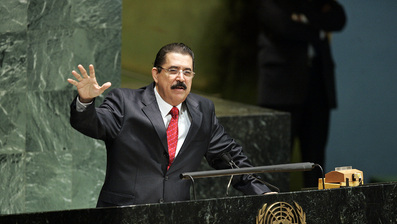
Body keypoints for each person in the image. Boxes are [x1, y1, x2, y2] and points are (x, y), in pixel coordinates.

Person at [68, 43, 275, 207]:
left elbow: (230, 157)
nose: (181, 78)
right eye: (173, 70)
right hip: (124, 218)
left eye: (187, 72)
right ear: (156, 74)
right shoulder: (125, 102)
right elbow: (94, 124)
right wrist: (85, 102)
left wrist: (262, 192)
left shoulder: (203, 110)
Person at [256, 0, 346, 188]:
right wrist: (318, 30)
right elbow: (284, 26)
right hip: (281, 90)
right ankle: (270, 214)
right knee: (275, 165)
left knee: (316, 164)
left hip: (318, 89)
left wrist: (304, 18)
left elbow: (339, 18)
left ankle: (315, 215)